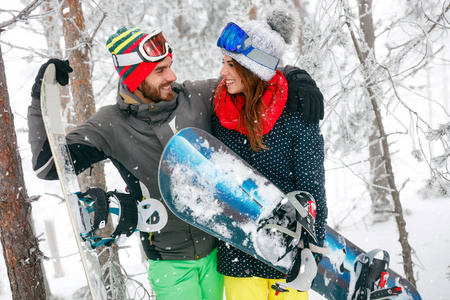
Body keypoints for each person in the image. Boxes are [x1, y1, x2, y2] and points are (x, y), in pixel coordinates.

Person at [27, 25, 323, 300]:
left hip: (218, 254)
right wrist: (39, 103)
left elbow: (252, 71)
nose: (171, 76)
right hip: (170, 262)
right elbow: (48, 165)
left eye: (169, 67)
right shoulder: (110, 125)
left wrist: (296, 76)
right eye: (160, 70)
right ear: (133, 77)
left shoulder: (197, 96)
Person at [212, 11, 327, 300]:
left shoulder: (295, 111)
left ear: (254, 69)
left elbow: (312, 185)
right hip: (237, 252)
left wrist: (313, 246)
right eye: (223, 63)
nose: (223, 72)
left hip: (286, 253)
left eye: (231, 65)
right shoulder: (219, 108)